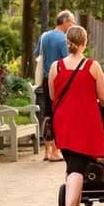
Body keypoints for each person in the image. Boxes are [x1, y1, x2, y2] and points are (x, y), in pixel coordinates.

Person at [48, 25, 104, 206]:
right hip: (85, 122)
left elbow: (53, 96)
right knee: (76, 168)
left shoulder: (56, 67)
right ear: (85, 42)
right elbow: (103, 98)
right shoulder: (92, 66)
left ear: (67, 42)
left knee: (72, 164)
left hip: (63, 121)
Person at [34, 10, 75, 162]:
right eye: (71, 22)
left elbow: (37, 53)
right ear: (65, 21)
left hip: (46, 79)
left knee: (48, 113)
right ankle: (56, 151)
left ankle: (46, 150)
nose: (72, 25)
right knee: (59, 114)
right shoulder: (63, 39)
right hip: (59, 80)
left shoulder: (44, 36)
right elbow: (68, 59)